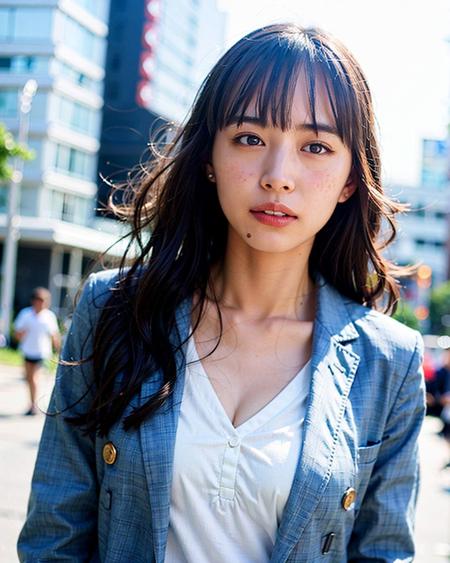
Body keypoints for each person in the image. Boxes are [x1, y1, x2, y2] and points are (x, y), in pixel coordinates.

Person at [18, 24, 426, 562]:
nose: (279, 176)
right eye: (250, 138)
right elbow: (55, 538)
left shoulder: (388, 362)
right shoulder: (113, 309)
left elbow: (383, 554)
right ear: (209, 155)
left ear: (351, 178)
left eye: (316, 146)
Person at [13, 287, 60, 415]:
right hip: (27, 350)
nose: (41, 304)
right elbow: (17, 333)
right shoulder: (25, 314)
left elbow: (54, 335)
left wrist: (58, 350)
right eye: (39, 300)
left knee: (34, 378)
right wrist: (21, 334)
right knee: (29, 378)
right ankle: (32, 404)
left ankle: (35, 405)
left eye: (44, 301)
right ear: (34, 301)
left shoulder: (49, 316)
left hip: (42, 352)